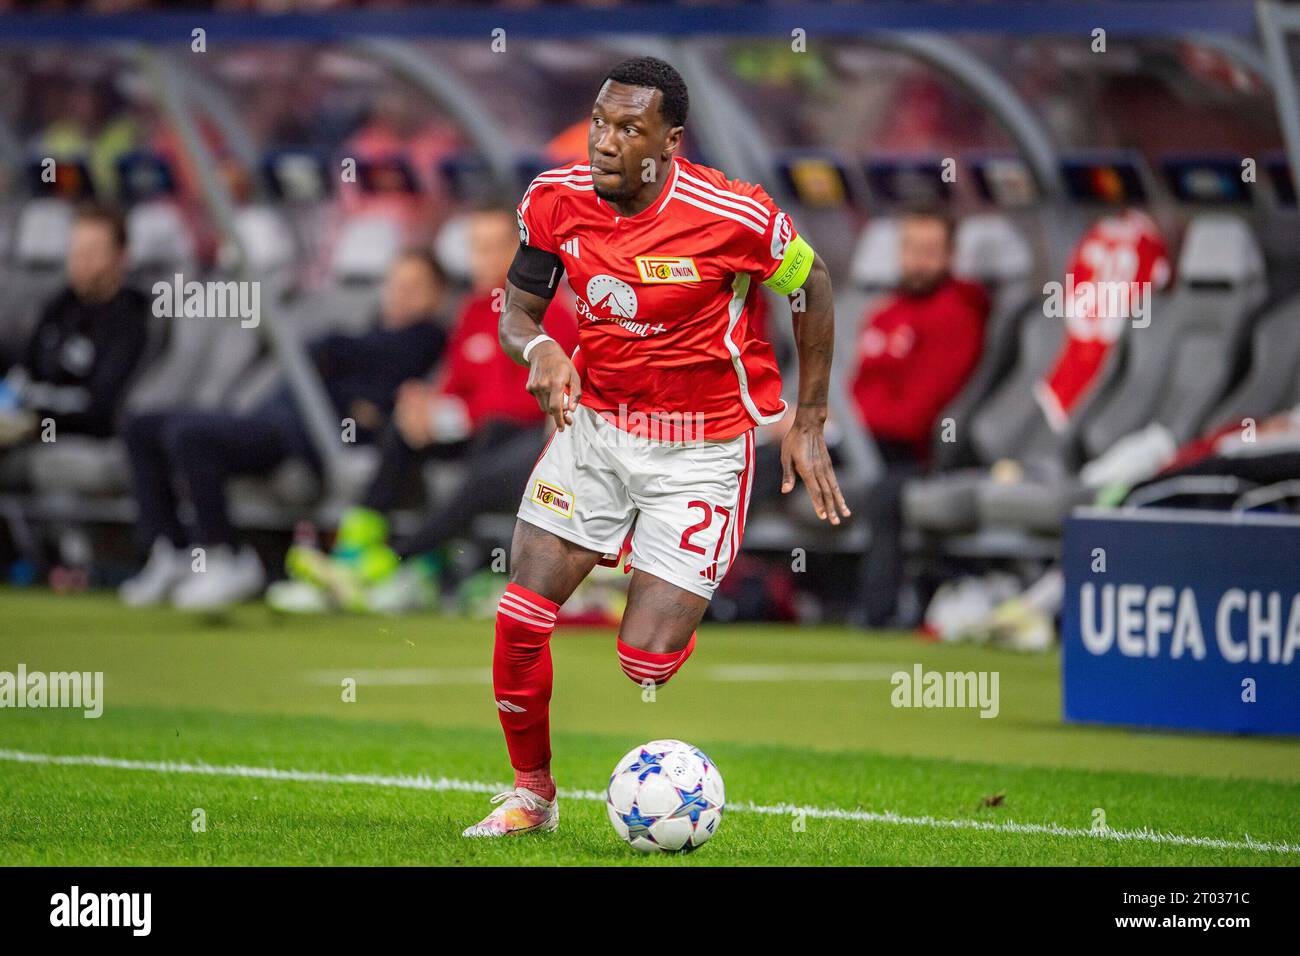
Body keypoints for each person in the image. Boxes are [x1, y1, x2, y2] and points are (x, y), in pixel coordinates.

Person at [462, 56, 848, 838]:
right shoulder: (554, 200)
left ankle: (657, 564)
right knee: (519, 616)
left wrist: (808, 418)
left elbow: (813, 286)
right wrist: (538, 350)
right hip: (596, 431)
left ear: (669, 140)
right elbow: (519, 311)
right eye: (600, 122)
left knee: (646, 663)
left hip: (700, 449)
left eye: (628, 129)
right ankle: (531, 797)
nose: (605, 142)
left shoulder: (732, 214)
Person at [280, 205, 579, 613]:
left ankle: (396, 562)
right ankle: (353, 551)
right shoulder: (475, 311)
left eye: (495, 248)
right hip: (479, 434)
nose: (484, 259)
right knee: (402, 431)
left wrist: (456, 415)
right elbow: (458, 387)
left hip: (527, 441)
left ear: (520, 251)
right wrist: (427, 407)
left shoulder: (554, 315)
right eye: (477, 248)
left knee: (492, 440)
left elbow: (532, 406)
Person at [117, 249, 449, 612]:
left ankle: (224, 555)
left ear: (436, 295)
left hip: (303, 438)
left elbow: (345, 367)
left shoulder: (425, 338)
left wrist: (334, 361)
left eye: (414, 286)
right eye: (396, 283)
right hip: (274, 419)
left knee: (190, 434)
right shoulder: (367, 334)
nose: (402, 293)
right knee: (141, 427)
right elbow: (323, 356)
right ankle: (172, 549)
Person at [850, 209, 988, 628]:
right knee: (753, 455)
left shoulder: (955, 315)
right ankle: (711, 585)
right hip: (858, 439)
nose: (918, 260)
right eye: (911, 248)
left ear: (950, 256)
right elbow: (858, 386)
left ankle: (875, 616)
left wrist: (840, 424)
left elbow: (917, 414)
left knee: (885, 494)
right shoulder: (884, 312)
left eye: (930, 251)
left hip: (911, 453)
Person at [0, 205, 148, 450]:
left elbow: (100, 409)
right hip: (23, 413)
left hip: (63, 428)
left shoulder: (130, 319)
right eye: (76, 252)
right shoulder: (61, 304)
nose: (80, 262)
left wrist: (38, 421)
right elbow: (25, 367)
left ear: (121, 257)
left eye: (92, 253)